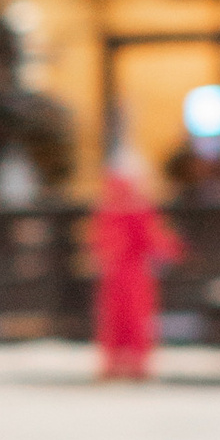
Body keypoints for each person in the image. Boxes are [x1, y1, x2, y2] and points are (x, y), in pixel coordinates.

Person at [90, 148, 182, 378]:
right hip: (133, 272)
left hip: (117, 272)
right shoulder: (137, 208)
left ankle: (115, 362)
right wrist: (172, 250)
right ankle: (133, 362)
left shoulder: (110, 207)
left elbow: (101, 240)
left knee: (117, 318)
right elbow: (153, 239)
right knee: (133, 317)